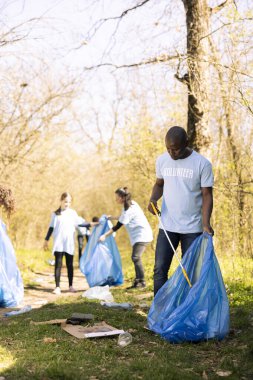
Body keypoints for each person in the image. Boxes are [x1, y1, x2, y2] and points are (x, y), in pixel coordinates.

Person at [148, 126, 214, 295]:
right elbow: (159, 184)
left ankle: (186, 311)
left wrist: (206, 223)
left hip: (192, 228)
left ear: (186, 143)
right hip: (167, 226)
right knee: (159, 270)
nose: (172, 153)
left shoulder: (202, 164)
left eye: (175, 149)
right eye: (168, 149)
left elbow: (207, 195)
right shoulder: (162, 160)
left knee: (190, 273)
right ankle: (160, 312)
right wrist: (153, 200)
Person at [43, 193, 98, 295]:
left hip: (69, 243)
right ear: (61, 201)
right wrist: (46, 240)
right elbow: (51, 228)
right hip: (59, 242)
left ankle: (71, 286)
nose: (67, 204)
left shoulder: (73, 213)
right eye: (65, 201)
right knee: (58, 265)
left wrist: (93, 224)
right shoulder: (55, 214)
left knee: (69, 265)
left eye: (69, 202)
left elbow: (81, 223)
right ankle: (57, 287)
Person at [99, 187, 153, 289]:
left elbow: (117, 227)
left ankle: (142, 282)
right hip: (139, 236)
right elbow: (124, 217)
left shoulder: (129, 209)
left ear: (123, 198)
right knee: (135, 257)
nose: (116, 200)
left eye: (117, 197)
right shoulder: (130, 205)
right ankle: (138, 281)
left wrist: (104, 236)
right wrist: (113, 217)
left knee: (136, 257)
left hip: (142, 235)